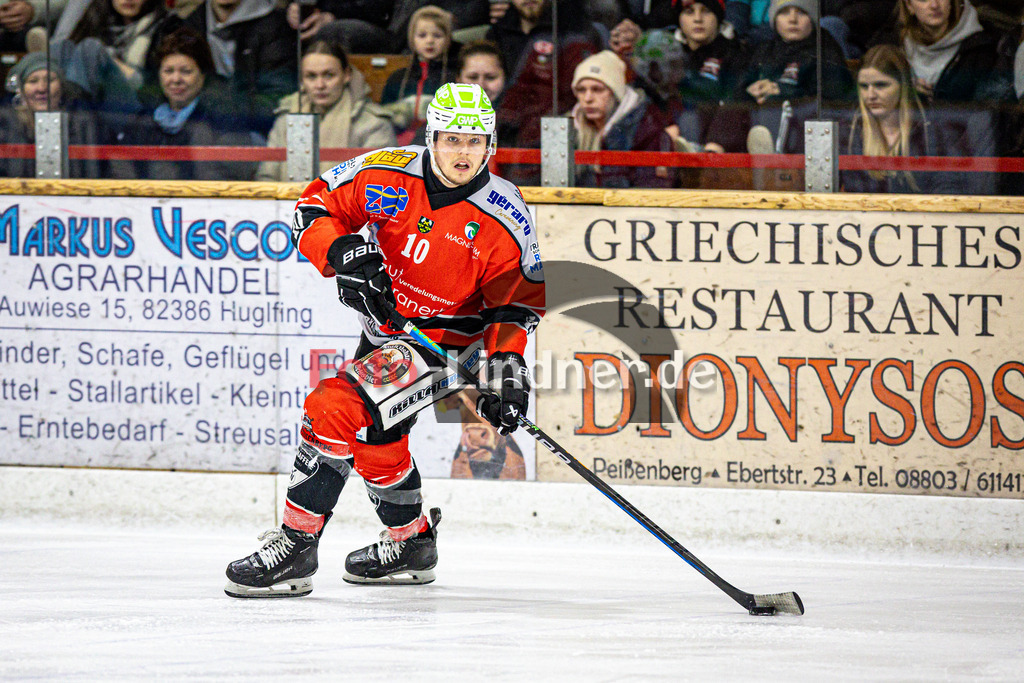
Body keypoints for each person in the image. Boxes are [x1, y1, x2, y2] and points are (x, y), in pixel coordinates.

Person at [224, 82, 545, 597]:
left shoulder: (504, 214)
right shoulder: (387, 172)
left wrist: (507, 370)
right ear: (430, 137)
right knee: (377, 437)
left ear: (491, 145)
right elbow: (313, 206)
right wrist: (344, 254)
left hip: (445, 346)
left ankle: (297, 545)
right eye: (452, 140)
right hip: (387, 330)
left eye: (475, 141)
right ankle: (411, 542)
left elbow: (515, 304)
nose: (463, 153)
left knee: (334, 407)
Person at [108, 26, 256, 181]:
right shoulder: (146, 116)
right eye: (168, 71)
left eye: (186, 71)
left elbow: (231, 176)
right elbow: (121, 164)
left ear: (203, 75)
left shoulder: (224, 117)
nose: (176, 79)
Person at [257, 40, 396, 182]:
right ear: (302, 80)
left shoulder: (373, 124)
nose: (320, 85)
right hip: (288, 196)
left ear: (346, 75)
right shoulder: (287, 119)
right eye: (311, 76)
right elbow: (266, 177)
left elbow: (378, 183)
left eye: (329, 75)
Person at [841, 44, 955, 194]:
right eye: (864, 86)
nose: (870, 95)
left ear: (902, 85)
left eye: (881, 85)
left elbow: (948, 189)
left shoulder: (933, 129)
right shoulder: (850, 131)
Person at [184, 0, 297, 137]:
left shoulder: (274, 26)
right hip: (202, 132)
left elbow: (279, 98)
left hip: (259, 134)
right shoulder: (190, 26)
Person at [570, 50, 672, 188]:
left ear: (615, 94)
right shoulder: (566, 132)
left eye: (597, 89)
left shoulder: (648, 132)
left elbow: (651, 191)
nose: (588, 99)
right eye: (581, 90)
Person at [0, 52, 104, 178]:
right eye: (33, 81)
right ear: (21, 90)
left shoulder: (82, 123)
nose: (41, 88)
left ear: (61, 87)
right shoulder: (6, 124)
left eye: (49, 80)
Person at [380, 5, 455, 145]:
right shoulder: (397, 78)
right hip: (398, 145)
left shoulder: (454, 78)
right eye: (422, 35)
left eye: (437, 35)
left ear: (448, 38)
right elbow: (383, 117)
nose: (430, 41)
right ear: (412, 38)